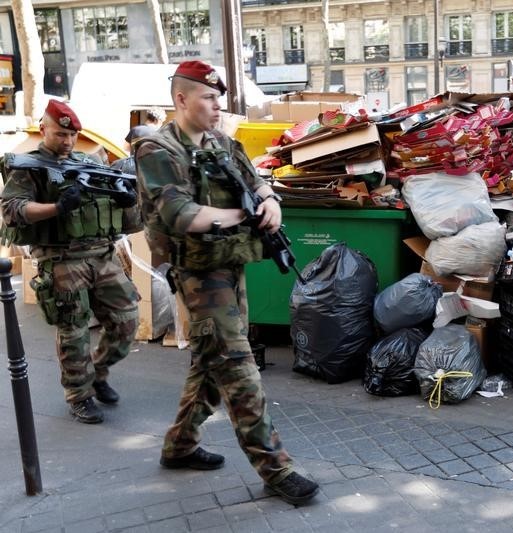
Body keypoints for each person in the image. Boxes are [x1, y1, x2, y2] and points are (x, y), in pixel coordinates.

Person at [135, 61, 319, 505]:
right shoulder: (157, 150)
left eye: (219, 98)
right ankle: (276, 469)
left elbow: (257, 182)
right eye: (208, 98)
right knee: (239, 370)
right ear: (181, 99)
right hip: (199, 276)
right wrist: (243, 216)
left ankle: (179, 446)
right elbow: (181, 215)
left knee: (211, 365)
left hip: (231, 267)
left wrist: (271, 203)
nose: (218, 106)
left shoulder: (221, 143)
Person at [0, 99, 140, 424]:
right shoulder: (29, 167)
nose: (68, 141)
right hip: (61, 258)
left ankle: (99, 372)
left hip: (103, 254)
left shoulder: (88, 162)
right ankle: (79, 395)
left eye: (73, 135)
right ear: (43, 129)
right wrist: (56, 208)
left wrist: (125, 200)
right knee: (74, 330)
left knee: (127, 320)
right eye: (61, 134)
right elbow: (12, 210)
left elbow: (126, 221)